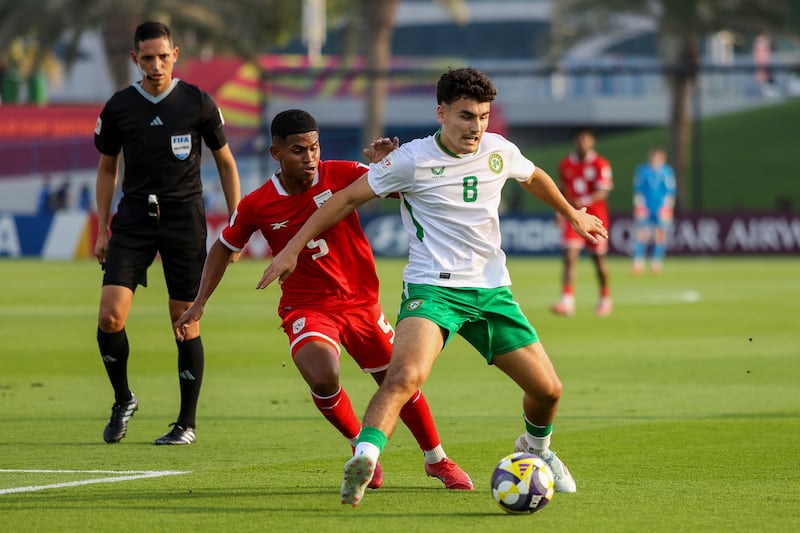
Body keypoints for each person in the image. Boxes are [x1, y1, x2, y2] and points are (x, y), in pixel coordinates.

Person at [257, 68, 608, 506]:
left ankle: (536, 452)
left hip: (492, 291)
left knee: (548, 390)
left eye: (482, 116)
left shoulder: (498, 150)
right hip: (433, 291)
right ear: (441, 113)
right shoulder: (410, 160)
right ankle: (364, 458)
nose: (476, 127)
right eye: (465, 116)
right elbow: (345, 198)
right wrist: (292, 247)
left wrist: (573, 213)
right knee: (404, 375)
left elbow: (532, 175)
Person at [173, 108, 473, 491]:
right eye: (299, 150)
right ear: (276, 154)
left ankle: (437, 460)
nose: (310, 157)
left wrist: (388, 165)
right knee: (322, 372)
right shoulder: (258, 203)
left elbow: (402, 189)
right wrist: (199, 303)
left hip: (362, 304)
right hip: (308, 307)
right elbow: (223, 247)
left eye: (314, 147)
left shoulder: (343, 173)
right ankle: (359, 447)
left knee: (401, 383)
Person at [93, 21, 241, 445]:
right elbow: (107, 169)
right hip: (134, 220)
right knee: (110, 316)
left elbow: (226, 162)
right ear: (134, 59)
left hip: (183, 221)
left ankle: (185, 424)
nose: (155, 65)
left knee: (184, 322)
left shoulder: (197, 102)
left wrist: (236, 224)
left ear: (175, 54)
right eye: (147, 58)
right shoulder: (119, 107)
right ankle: (123, 398)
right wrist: (103, 228)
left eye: (163, 56)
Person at [551, 126, 614, 317]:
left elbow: (603, 191)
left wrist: (585, 201)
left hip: (595, 218)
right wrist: (559, 211)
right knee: (569, 256)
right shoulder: (565, 165)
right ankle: (567, 301)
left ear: (592, 141)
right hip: (574, 217)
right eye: (579, 139)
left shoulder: (601, 164)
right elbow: (561, 191)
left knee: (598, 260)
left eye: (586, 139)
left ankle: (605, 297)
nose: (582, 142)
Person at [631, 147, 676, 275]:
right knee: (642, 234)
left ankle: (656, 262)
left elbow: (670, 191)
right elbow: (638, 189)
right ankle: (638, 262)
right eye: (653, 157)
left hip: (661, 207)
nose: (655, 160)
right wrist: (639, 205)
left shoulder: (667, 171)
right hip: (646, 206)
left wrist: (668, 207)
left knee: (660, 234)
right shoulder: (642, 170)